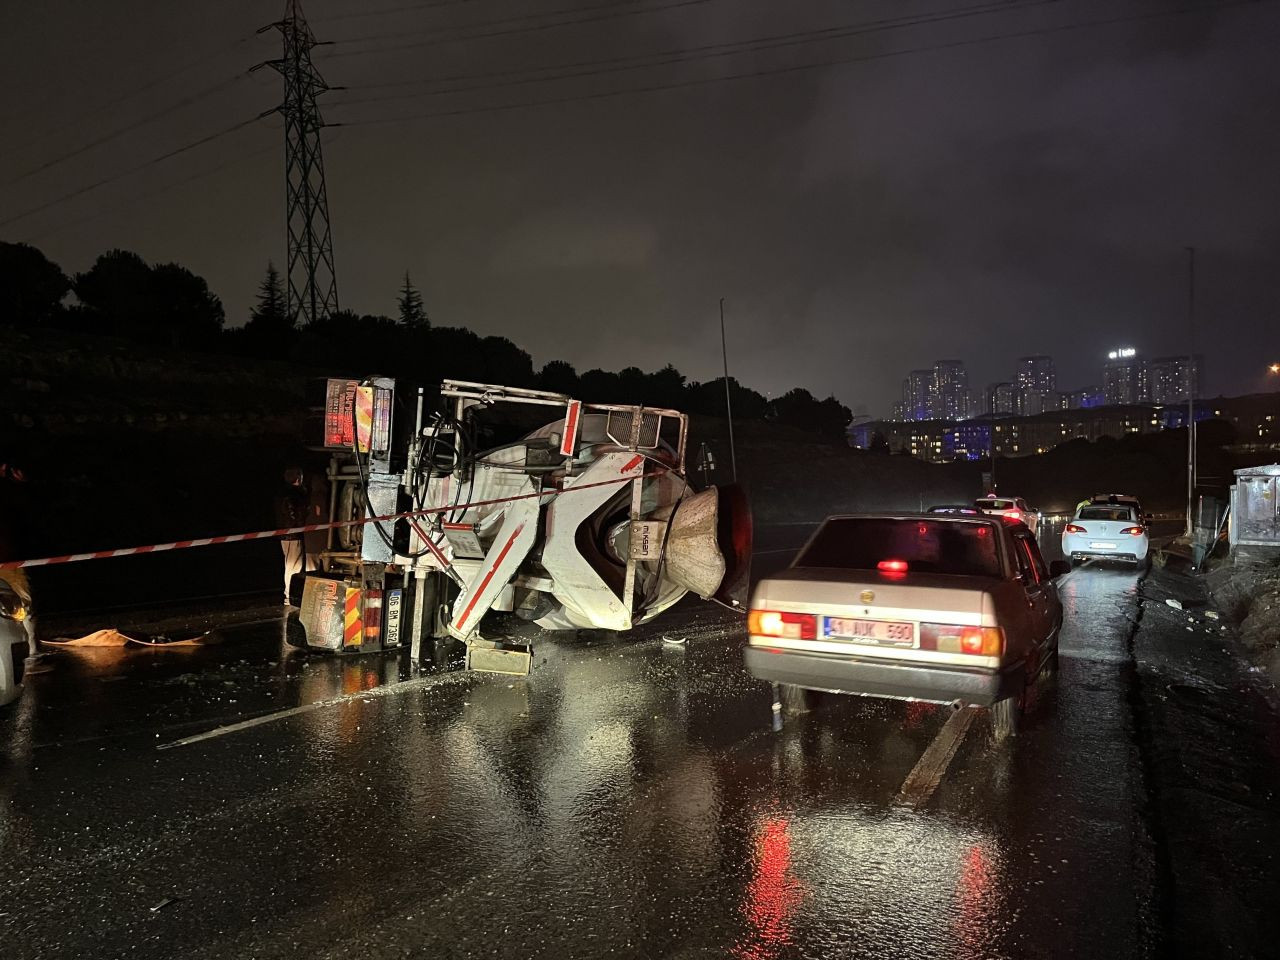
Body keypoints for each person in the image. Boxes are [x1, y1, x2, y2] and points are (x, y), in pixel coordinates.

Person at [275, 467, 309, 605]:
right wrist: (300, 524)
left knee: (290, 564)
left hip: (285, 534)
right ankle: (289, 595)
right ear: (298, 477)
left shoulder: (282, 493)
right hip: (292, 534)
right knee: (293, 565)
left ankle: (289, 593)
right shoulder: (294, 495)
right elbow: (293, 515)